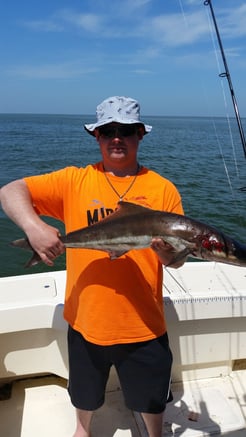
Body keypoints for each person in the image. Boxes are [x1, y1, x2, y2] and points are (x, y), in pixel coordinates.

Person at [0, 96, 185, 437]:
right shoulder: (74, 181)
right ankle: (82, 430)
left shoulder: (163, 189)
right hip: (86, 319)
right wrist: (34, 227)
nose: (117, 137)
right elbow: (11, 190)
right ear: (96, 136)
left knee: (152, 397)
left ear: (140, 135)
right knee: (84, 391)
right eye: (108, 130)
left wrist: (169, 255)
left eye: (126, 130)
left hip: (143, 322)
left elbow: (174, 261)